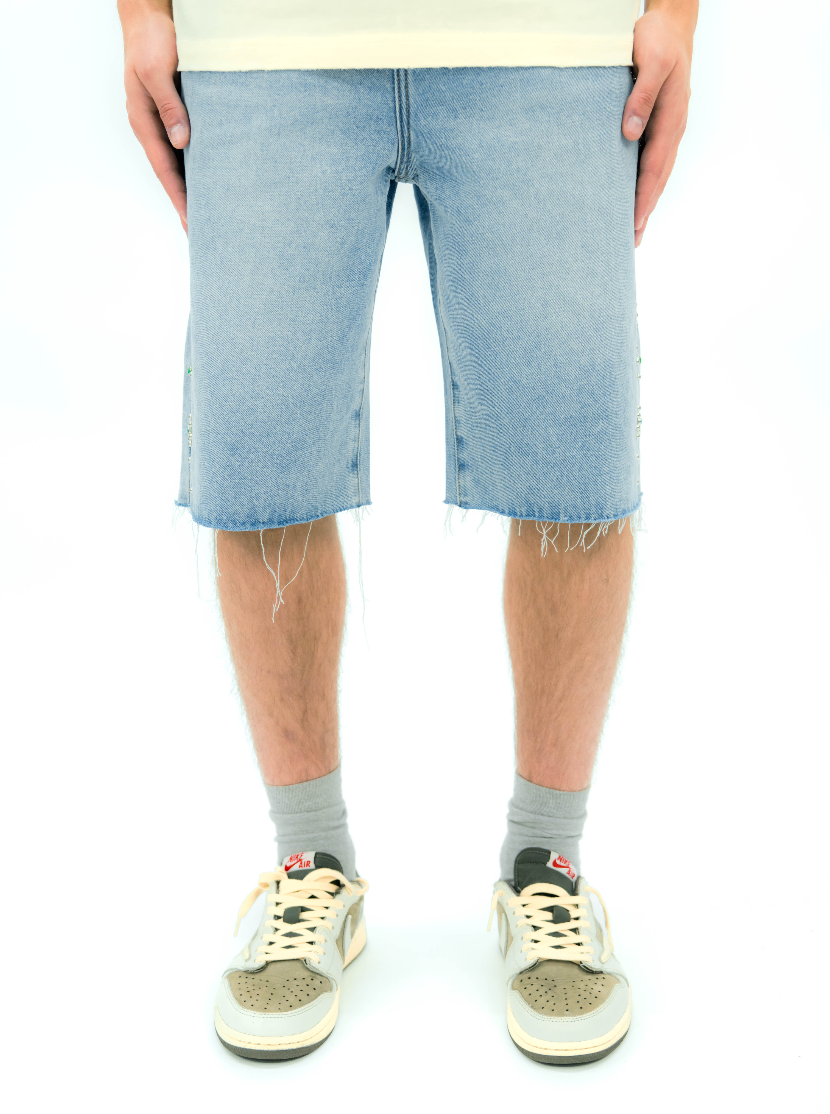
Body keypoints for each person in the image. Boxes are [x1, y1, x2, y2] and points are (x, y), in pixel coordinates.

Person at [117, 0, 696, 1065]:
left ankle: (547, 862)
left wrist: (677, 12)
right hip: (259, 44)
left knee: (575, 449)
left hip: (552, 38)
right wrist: (137, 12)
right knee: (262, 449)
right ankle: (309, 864)